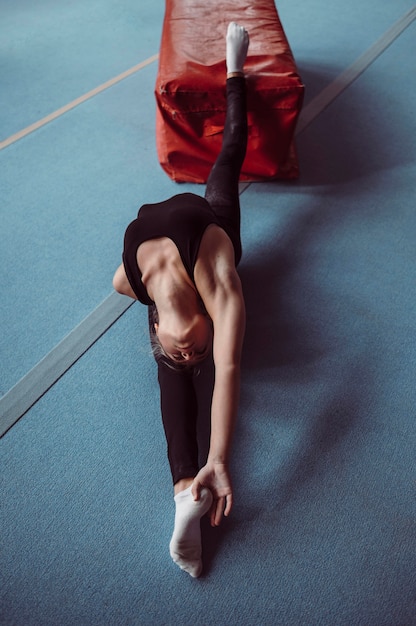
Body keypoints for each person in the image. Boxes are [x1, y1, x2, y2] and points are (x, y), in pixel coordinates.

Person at [113, 22, 249, 578]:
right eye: (192, 355)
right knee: (171, 373)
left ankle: (235, 66)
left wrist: (221, 456)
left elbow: (230, 366)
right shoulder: (133, 285)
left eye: (192, 351)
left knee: (230, 151)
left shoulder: (221, 287)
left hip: (211, 227)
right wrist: (206, 466)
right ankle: (183, 496)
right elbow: (183, 353)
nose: (196, 359)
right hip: (165, 254)